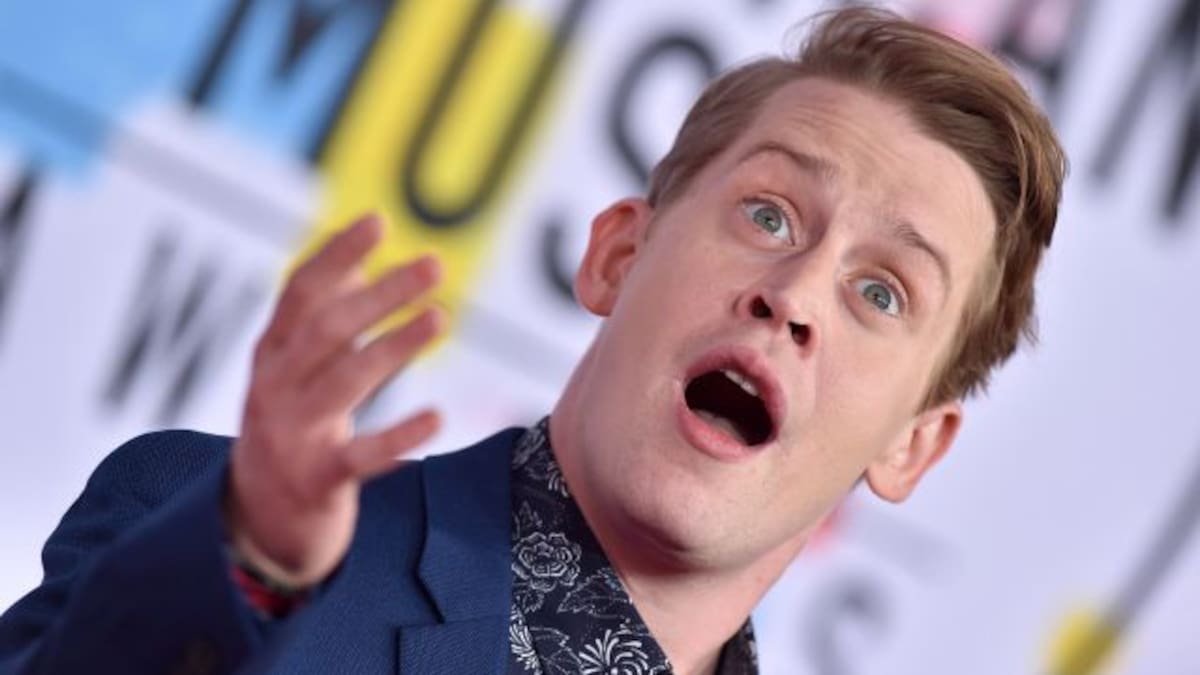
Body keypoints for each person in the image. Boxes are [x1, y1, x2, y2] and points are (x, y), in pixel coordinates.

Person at [0, 7, 1066, 674]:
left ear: (912, 445)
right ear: (618, 255)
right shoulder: (208, 535)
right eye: (769, 215)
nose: (795, 297)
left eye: (882, 292)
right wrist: (251, 566)